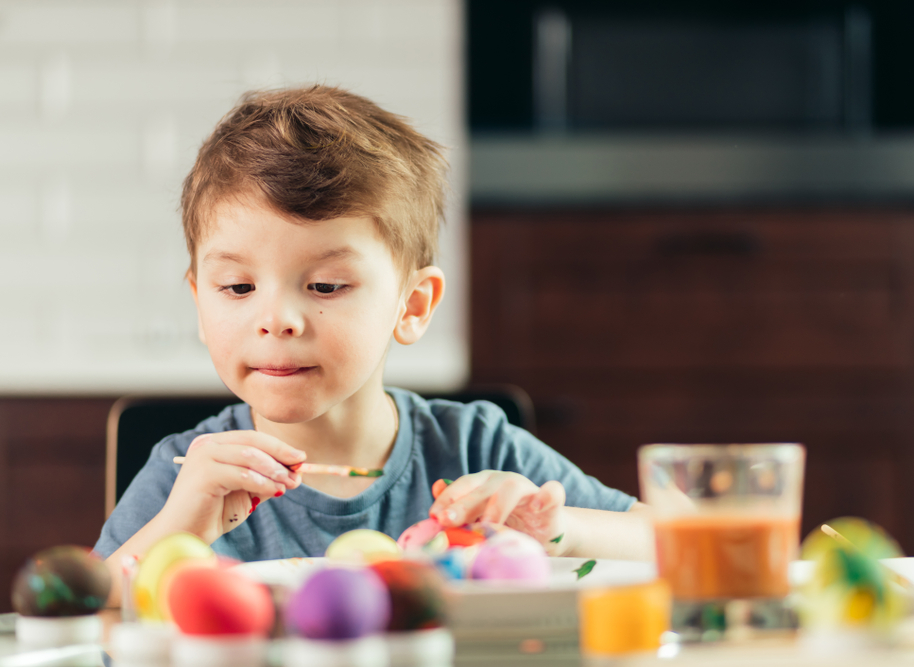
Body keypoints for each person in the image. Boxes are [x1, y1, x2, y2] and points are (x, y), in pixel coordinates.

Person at [95, 85, 653, 605]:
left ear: (412, 305)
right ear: (200, 301)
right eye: (237, 287)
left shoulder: (478, 449)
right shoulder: (183, 476)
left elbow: (671, 546)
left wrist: (562, 531)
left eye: (325, 287)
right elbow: (75, 629)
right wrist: (177, 530)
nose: (277, 320)